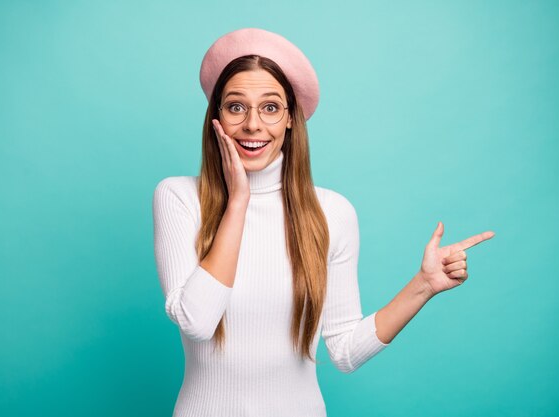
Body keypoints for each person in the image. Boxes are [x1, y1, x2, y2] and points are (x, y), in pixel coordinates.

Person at [152, 28, 495, 417]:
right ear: (216, 118)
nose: (252, 125)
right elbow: (196, 322)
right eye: (235, 107)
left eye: (269, 107)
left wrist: (424, 286)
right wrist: (238, 201)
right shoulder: (179, 197)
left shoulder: (331, 212)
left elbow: (345, 350)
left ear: (290, 120)